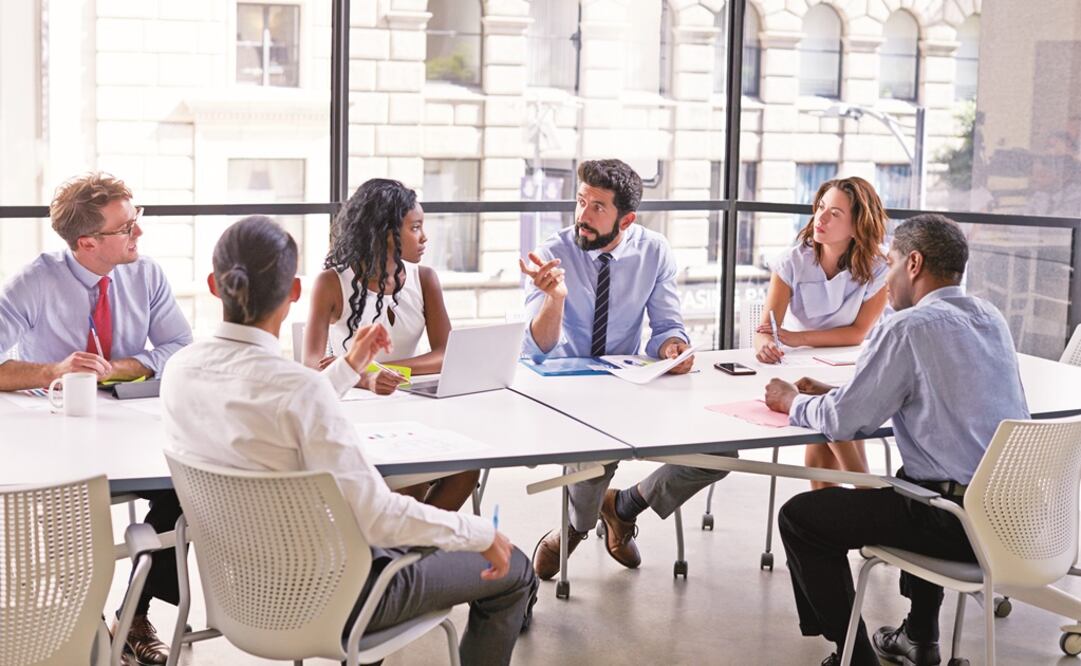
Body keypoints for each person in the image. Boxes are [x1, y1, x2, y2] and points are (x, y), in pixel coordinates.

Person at [162, 216, 536, 665]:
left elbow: (291, 405)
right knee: (515, 570)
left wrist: (350, 365)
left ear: (212, 285)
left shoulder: (181, 369)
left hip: (238, 594)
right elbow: (378, 518)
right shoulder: (299, 390)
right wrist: (480, 533)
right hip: (336, 599)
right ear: (295, 292)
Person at [763, 214, 1029, 666]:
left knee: (801, 519)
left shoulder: (908, 327)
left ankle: (854, 656)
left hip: (956, 525)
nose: (886, 277)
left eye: (891, 262)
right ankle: (920, 639)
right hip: (1015, 515)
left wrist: (790, 401)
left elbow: (844, 423)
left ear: (914, 263)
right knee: (916, 479)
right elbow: (942, 394)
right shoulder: (990, 317)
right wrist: (851, 392)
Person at [0, 172, 192, 664]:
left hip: (129, 426)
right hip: (56, 433)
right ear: (87, 242)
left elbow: (181, 348)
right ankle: (78, 622)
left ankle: (134, 614)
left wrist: (121, 368)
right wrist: (53, 369)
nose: (139, 234)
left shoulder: (145, 274)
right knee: (68, 506)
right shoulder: (36, 280)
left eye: (137, 219)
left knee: (182, 486)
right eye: (127, 227)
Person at [521, 158, 731, 579]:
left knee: (720, 453)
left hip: (627, 382)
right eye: (581, 201)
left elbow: (667, 328)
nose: (583, 215)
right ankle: (575, 531)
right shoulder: (551, 254)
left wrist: (674, 347)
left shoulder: (654, 251)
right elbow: (536, 347)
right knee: (593, 453)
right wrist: (555, 298)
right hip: (565, 388)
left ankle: (625, 505)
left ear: (627, 218)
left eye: (598, 207)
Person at [304, 178, 480, 511]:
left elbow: (446, 354)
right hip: (355, 411)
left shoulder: (424, 279)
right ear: (386, 232)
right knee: (410, 480)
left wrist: (386, 370)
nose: (425, 237)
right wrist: (364, 377)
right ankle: (405, 553)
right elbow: (311, 368)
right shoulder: (331, 283)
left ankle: (410, 553)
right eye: (415, 228)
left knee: (467, 470)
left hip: (411, 407)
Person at [754, 176, 889, 488]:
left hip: (853, 365)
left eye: (835, 214)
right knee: (828, 433)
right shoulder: (792, 262)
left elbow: (857, 333)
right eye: (821, 208)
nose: (821, 218)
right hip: (803, 369)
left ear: (858, 226)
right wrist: (765, 344)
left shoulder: (880, 266)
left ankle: (863, 497)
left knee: (830, 422)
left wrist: (796, 338)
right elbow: (766, 330)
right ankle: (865, 493)